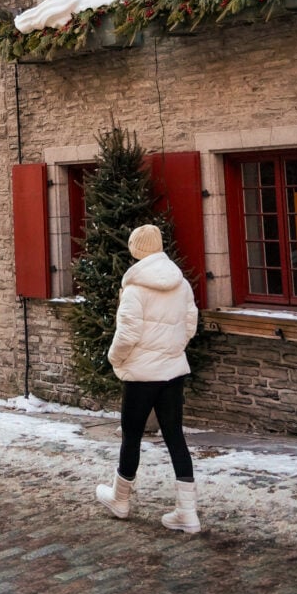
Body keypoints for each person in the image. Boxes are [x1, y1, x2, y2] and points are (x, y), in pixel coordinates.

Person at [95, 223, 200, 533]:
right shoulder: (181, 284)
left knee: (131, 434)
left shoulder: (135, 289)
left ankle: (121, 500)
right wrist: (172, 349)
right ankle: (188, 512)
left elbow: (126, 334)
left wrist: (115, 359)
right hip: (172, 370)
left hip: (141, 374)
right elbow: (190, 323)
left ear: (136, 250)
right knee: (174, 436)